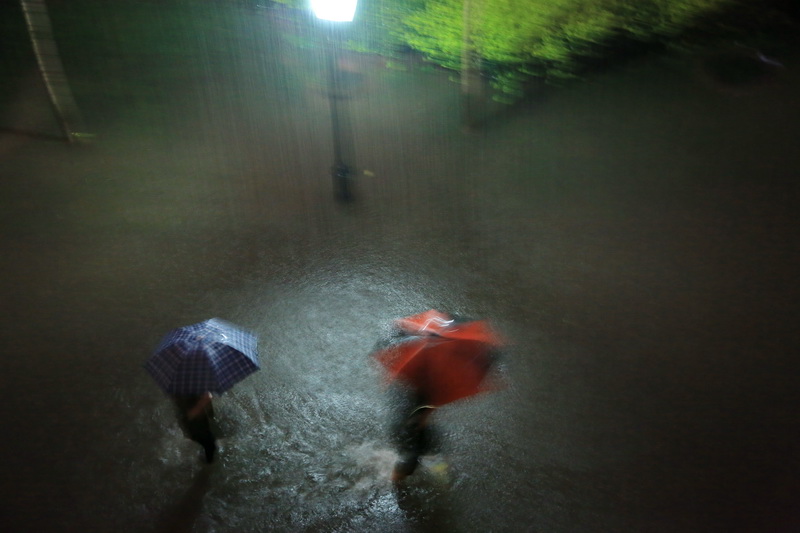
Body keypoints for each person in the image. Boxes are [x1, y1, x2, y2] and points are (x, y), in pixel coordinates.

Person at [392, 400, 438, 482]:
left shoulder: (426, 430)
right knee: (401, 472)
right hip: (411, 450)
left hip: (414, 449)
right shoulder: (411, 429)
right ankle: (398, 483)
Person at [172, 392, 217, 463]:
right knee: (210, 445)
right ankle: (205, 467)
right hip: (195, 419)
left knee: (197, 438)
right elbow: (207, 397)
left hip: (184, 417)